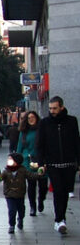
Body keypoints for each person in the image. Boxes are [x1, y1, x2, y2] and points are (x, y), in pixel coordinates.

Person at [36, 96, 80, 235]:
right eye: (50, 108)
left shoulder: (72, 121)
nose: (52, 111)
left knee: (65, 191)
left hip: (69, 163)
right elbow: (40, 145)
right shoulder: (45, 123)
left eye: (55, 108)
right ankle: (59, 220)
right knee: (58, 190)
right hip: (53, 164)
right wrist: (41, 163)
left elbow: (76, 142)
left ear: (61, 107)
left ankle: (61, 218)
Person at [0, 152, 43, 234]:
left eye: (11, 160)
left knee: (21, 209)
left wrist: (39, 174)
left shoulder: (23, 170)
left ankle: (20, 219)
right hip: (9, 194)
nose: (9, 162)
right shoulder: (6, 170)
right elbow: (2, 176)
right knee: (12, 210)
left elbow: (31, 176)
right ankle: (12, 225)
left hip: (20, 194)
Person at [15, 111, 48, 216]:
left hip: (41, 160)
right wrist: (17, 161)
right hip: (28, 161)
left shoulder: (42, 130)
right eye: (29, 118)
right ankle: (32, 207)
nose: (31, 119)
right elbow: (19, 147)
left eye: (33, 117)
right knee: (31, 185)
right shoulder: (23, 132)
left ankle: (41, 199)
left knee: (43, 185)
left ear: (37, 118)